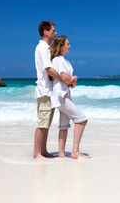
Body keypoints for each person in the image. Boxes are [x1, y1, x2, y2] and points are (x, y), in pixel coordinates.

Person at [33, 21, 73, 159]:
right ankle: (36, 153)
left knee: (47, 123)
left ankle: (43, 151)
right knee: (42, 123)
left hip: (49, 91)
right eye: (53, 31)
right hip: (44, 90)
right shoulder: (43, 48)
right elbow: (49, 70)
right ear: (45, 31)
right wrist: (65, 80)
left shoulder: (46, 48)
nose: (55, 33)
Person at [50, 35, 89, 159]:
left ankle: (61, 154)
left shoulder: (66, 61)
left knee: (64, 125)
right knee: (82, 120)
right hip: (60, 96)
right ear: (61, 46)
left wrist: (73, 80)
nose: (70, 45)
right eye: (67, 44)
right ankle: (75, 151)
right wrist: (72, 79)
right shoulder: (57, 60)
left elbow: (71, 83)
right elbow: (63, 77)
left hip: (65, 94)